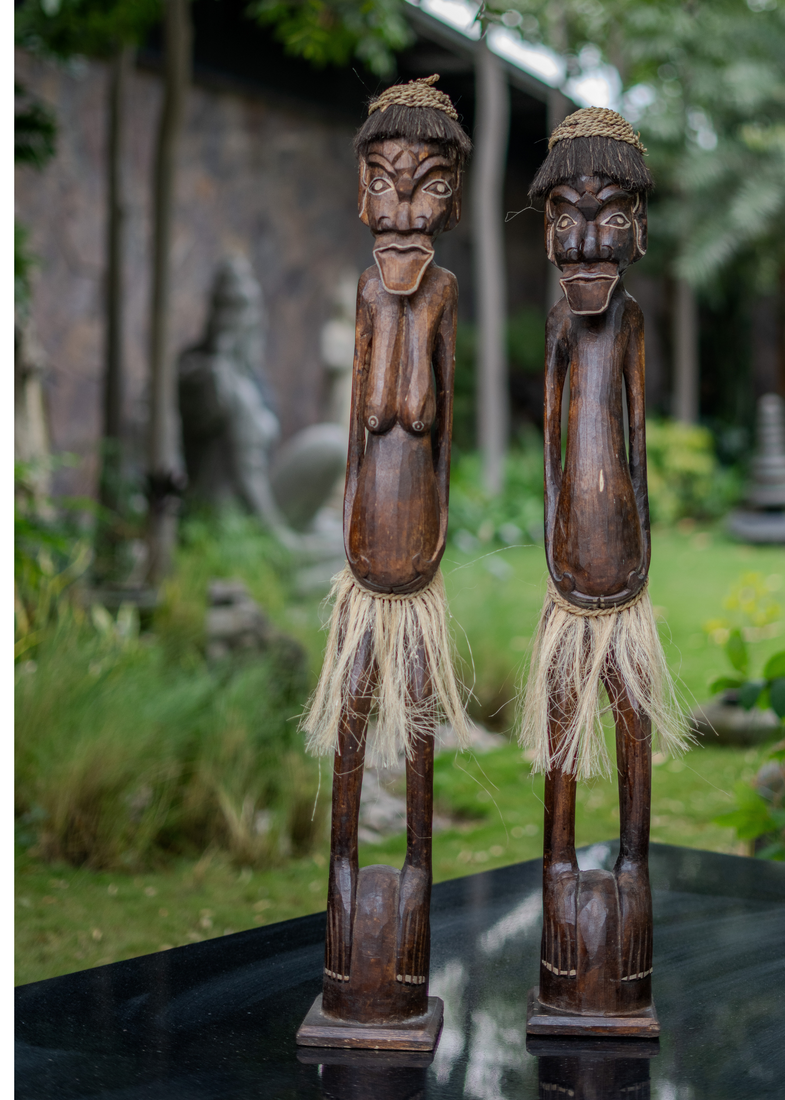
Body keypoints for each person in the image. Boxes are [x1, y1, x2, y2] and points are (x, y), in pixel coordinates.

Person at [302, 76, 472, 1023]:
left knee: (413, 724)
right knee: (354, 717)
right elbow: (360, 406)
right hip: (370, 541)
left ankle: (410, 877)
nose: (405, 210)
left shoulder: (442, 293)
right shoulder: (369, 289)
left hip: (418, 540)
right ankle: (342, 877)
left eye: (429, 186)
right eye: (386, 183)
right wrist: (354, 510)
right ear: (362, 192)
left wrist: (438, 518)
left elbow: (443, 429)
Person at [521, 108, 691, 1019]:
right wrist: (553, 531)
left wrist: (647, 541)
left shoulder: (630, 323)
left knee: (629, 719)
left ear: (640, 227)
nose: (588, 237)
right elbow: (552, 440)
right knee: (560, 726)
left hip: (623, 558)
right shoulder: (559, 323)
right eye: (567, 215)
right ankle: (557, 853)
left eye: (610, 211)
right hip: (569, 564)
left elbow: (637, 439)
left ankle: (634, 857)